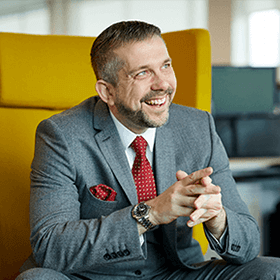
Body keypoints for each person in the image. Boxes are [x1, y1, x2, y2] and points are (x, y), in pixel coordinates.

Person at [17, 20, 280, 280]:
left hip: (176, 273)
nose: (162, 84)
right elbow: (50, 247)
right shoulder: (62, 135)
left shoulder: (198, 127)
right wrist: (150, 213)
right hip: (94, 276)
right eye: (142, 73)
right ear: (107, 91)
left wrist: (218, 219)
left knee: (272, 271)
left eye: (165, 66)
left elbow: (247, 243)